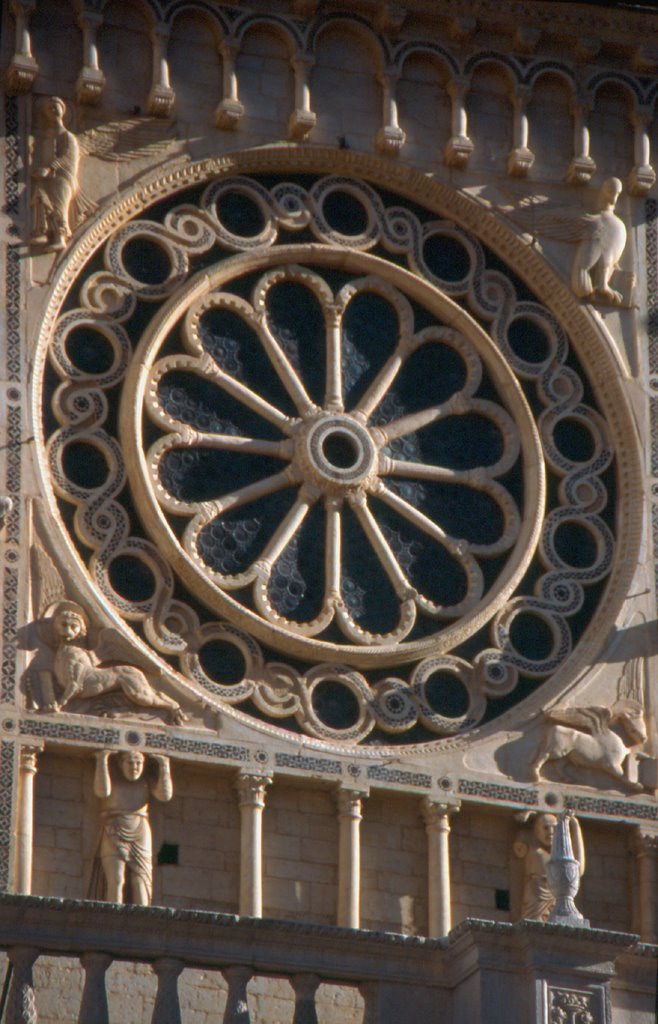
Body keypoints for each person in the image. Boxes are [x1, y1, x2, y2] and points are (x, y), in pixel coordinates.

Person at [48, 600, 186, 724]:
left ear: (81, 630)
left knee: (143, 698)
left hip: (122, 675)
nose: (67, 630)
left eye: (73, 627)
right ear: (55, 625)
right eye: (63, 625)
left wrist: (59, 704)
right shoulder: (62, 654)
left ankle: (172, 707)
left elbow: (75, 685)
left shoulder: (76, 654)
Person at [94, 749, 172, 905]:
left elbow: (165, 795)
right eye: (130, 763)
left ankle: (143, 914)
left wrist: (164, 766)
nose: (134, 767)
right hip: (114, 827)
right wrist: (102, 759)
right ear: (121, 764)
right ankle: (112, 911)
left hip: (140, 829)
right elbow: (102, 792)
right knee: (116, 878)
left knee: (141, 879)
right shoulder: (113, 778)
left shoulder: (146, 782)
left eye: (139, 763)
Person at [513, 812, 585, 921]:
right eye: (545, 828)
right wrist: (529, 815)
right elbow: (519, 847)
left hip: (556, 899)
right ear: (536, 829)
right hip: (535, 897)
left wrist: (575, 827)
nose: (550, 832)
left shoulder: (559, 855)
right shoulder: (529, 844)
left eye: (554, 828)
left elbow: (578, 869)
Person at [31, 96, 79, 251]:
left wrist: (50, 169)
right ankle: (43, 233)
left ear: (62, 111)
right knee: (42, 202)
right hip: (46, 178)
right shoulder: (46, 138)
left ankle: (60, 238)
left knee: (59, 207)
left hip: (62, 179)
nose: (52, 110)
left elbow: (68, 157)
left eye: (55, 106)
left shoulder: (68, 136)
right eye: (49, 108)